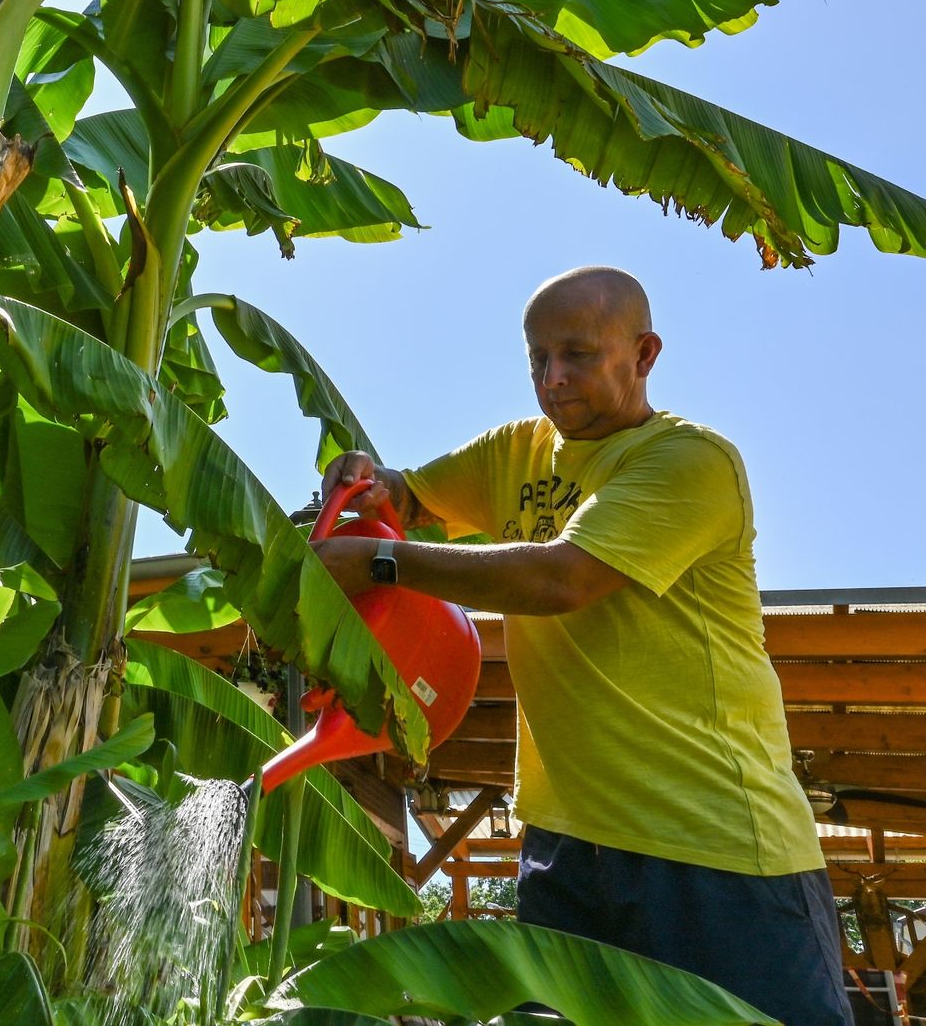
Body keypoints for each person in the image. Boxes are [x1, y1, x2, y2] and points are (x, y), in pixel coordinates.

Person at [311, 265, 847, 1026]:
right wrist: (365, 483)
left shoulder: (692, 461)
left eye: (577, 355)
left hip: (714, 850)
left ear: (644, 353)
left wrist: (380, 562)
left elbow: (561, 578)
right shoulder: (515, 453)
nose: (553, 379)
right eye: (537, 360)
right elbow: (409, 499)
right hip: (563, 846)